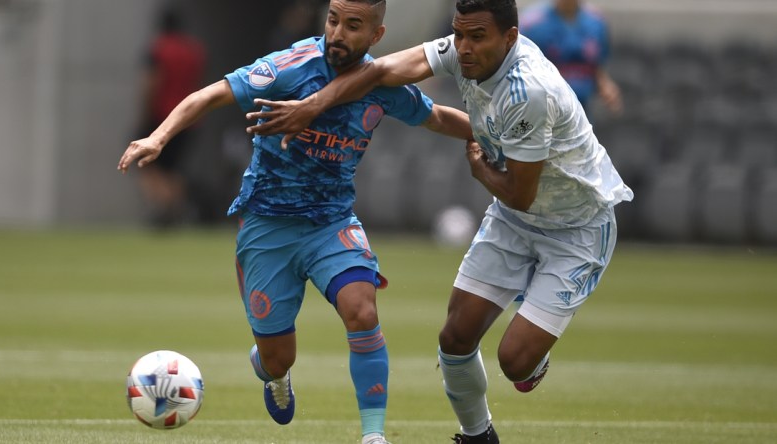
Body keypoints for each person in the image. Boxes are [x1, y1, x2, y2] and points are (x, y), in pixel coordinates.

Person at [243, 0, 634, 442]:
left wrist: (480, 170)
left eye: (477, 37)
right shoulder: (462, 47)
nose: (463, 48)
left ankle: (534, 349)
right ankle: (477, 435)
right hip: (514, 221)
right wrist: (311, 106)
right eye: (459, 34)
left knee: (515, 361)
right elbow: (376, 73)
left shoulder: (530, 92)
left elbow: (521, 194)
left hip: (576, 228)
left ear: (509, 38)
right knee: (455, 337)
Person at [118, 1, 472, 443]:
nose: (338, 33)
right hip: (269, 227)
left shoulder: (382, 84)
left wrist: (488, 134)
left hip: (332, 223)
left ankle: (374, 436)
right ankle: (271, 371)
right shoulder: (290, 67)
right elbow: (211, 94)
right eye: (333, 20)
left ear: (376, 36)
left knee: (361, 310)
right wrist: (158, 136)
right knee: (278, 356)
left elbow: (435, 116)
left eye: (353, 25)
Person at [135, 7, 206, 228]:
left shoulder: (159, 49)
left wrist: (145, 114)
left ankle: (165, 209)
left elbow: (152, 82)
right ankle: (176, 208)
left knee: (145, 162)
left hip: (162, 115)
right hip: (191, 118)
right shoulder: (194, 51)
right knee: (174, 168)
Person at [519, 0, 622, 116]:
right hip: (544, 113)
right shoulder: (532, 24)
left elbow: (596, 67)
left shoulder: (596, 21)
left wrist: (605, 86)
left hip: (582, 111)